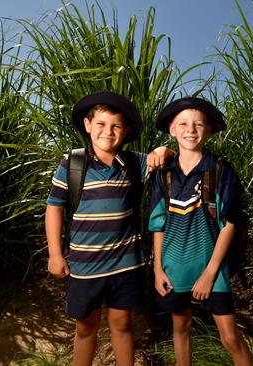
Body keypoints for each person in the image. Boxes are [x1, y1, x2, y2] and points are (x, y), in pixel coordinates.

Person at [45, 91, 171, 366]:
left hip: (126, 264)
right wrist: (55, 254)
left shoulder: (135, 163)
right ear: (88, 125)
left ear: (125, 131)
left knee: (122, 323)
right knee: (86, 326)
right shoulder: (72, 163)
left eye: (116, 126)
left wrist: (164, 150)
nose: (108, 132)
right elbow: (54, 207)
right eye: (100, 124)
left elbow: (166, 158)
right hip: (84, 264)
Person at [148, 97, 253, 366]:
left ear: (208, 130)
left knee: (230, 337)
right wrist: (158, 269)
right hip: (174, 267)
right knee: (180, 327)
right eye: (183, 124)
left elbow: (230, 222)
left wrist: (210, 273)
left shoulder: (220, 169)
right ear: (172, 130)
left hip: (212, 267)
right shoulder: (164, 174)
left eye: (198, 124)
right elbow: (158, 224)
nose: (190, 130)